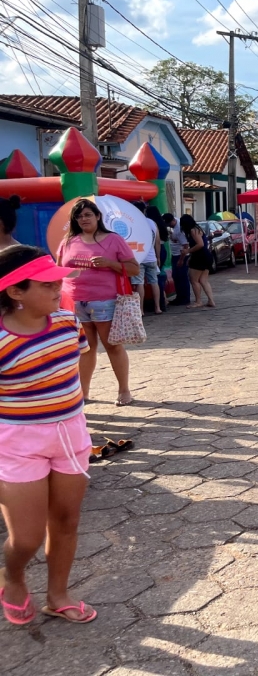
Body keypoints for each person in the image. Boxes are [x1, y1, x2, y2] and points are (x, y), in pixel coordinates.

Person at [0, 246, 97, 625]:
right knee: (25, 538)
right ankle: (13, 578)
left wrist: (78, 399)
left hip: (70, 436)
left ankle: (58, 595)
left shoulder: (67, 323)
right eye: (47, 284)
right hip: (17, 443)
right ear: (15, 292)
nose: (59, 288)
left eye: (58, 281)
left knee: (66, 521)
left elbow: (83, 355)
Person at [57, 199, 139, 406]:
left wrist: (110, 263)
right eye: (79, 216)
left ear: (98, 216)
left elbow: (134, 269)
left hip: (105, 301)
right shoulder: (68, 241)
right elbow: (58, 271)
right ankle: (83, 393)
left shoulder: (113, 239)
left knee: (112, 346)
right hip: (74, 302)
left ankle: (124, 390)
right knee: (85, 348)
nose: (83, 219)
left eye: (87, 214)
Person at [130, 202, 161, 316]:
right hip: (151, 257)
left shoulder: (132, 222)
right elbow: (157, 241)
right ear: (144, 210)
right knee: (154, 282)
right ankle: (157, 307)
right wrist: (158, 256)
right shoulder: (152, 222)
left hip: (138, 258)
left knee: (139, 283)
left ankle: (141, 310)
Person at [178, 215, 215, 309]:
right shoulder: (198, 229)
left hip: (200, 257)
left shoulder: (193, 230)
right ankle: (211, 300)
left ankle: (198, 301)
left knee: (194, 280)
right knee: (203, 280)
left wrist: (188, 251)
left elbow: (200, 244)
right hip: (206, 256)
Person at [145, 205, 169, 313]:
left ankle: (162, 302)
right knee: (159, 275)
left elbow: (156, 242)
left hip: (154, 250)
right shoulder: (159, 223)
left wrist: (157, 255)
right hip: (162, 250)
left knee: (156, 278)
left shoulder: (149, 223)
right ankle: (162, 302)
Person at [162, 213, 190, 306]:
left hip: (180, 255)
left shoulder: (178, 230)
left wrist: (181, 260)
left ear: (172, 221)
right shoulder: (176, 223)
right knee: (177, 277)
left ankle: (184, 298)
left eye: (169, 224)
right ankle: (180, 297)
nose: (169, 226)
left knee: (181, 277)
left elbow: (185, 245)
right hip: (176, 254)